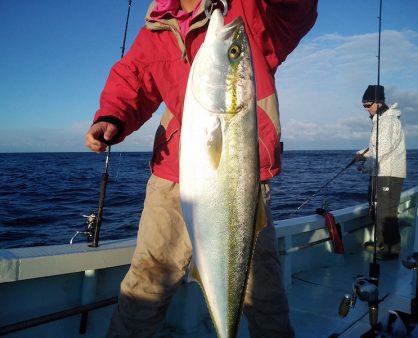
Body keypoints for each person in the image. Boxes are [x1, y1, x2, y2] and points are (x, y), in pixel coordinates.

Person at [85, 0, 318, 336]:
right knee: (146, 284)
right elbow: (133, 78)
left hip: (240, 182)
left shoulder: (251, 11)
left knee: (262, 292)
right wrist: (111, 116)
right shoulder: (158, 26)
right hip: (170, 179)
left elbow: (296, 11)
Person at [354, 85, 406, 261]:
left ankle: (391, 251)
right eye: (363, 106)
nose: (366, 109)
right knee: (377, 209)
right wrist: (363, 154)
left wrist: (364, 167)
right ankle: (384, 243)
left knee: (386, 212)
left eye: (368, 105)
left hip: (388, 173)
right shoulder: (380, 120)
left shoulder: (387, 122)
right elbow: (375, 147)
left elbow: (381, 151)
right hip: (382, 172)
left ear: (379, 102)